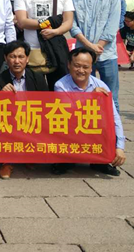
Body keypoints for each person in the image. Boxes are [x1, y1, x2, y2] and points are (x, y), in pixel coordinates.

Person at [52, 47, 127, 176]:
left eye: (85, 67)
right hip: (70, 129)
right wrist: (90, 97)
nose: (81, 70)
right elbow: (69, 112)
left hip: (93, 128)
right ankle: (65, 160)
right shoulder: (60, 85)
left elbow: (114, 117)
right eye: (77, 66)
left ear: (92, 68)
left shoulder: (101, 86)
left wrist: (119, 147)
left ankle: (101, 161)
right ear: (69, 65)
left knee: (105, 121)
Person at [69, 0, 121, 110]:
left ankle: (113, 126)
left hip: (106, 53)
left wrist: (98, 46)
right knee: (84, 95)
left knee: (111, 96)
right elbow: (72, 25)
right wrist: (89, 46)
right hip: (83, 56)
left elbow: (112, 25)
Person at [0, 40, 49, 179]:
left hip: (32, 119)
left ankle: (29, 155)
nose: (17, 61)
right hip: (10, 121)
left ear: (27, 59)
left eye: (21, 57)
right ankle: (6, 162)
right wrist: (1, 96)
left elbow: (46, 105)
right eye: (12, 57)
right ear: (6, 58)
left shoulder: (38, 78)